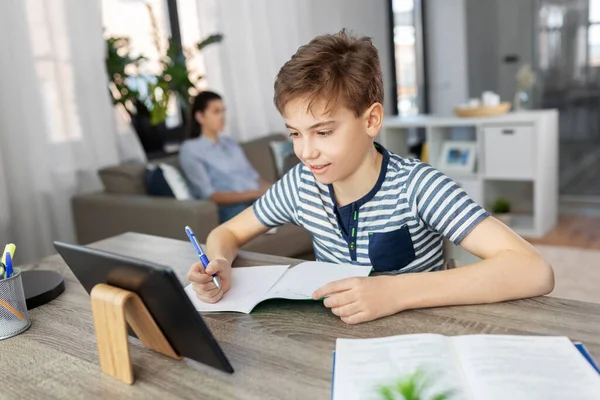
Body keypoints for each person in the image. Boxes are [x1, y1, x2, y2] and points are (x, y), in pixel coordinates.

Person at [187, 30, 554, 325]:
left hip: (420, 335)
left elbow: (533, 269)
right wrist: (218, 261)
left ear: (371, 121)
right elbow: (228, 233)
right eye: (295, 134)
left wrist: (394, 292)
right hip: (335, 337)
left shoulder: (417, 186)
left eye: (323, 132)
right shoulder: (300, 185)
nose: (305, 152)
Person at [179, 91, 271, 223]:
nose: (222, 116)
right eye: (216, 112)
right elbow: (210, 195)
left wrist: (275, 189)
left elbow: (254, 178)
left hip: (256, 198)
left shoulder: (229, 143)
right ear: (200, 117)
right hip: (231, 207)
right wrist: (255, 193)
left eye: (223, 111)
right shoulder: (191, 149)